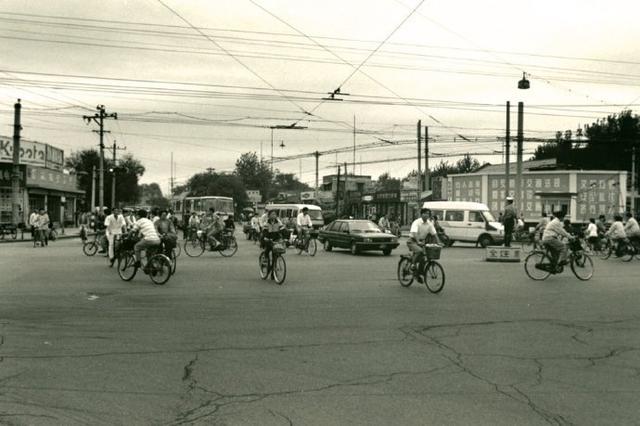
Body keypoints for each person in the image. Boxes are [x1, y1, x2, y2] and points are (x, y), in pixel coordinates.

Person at [407, 208, 438, 283]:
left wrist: (438, 243)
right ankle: (412, 265)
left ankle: (418, 274)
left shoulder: (429, 223)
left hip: (422, 242)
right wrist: (418, 241)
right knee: (420, 251)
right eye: (425, 213)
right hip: (412, 241)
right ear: (422, 214)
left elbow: (434, 234)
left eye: (428, 213)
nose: (427, 215)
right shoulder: (416, 222)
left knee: (424, 258)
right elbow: (414, 233)